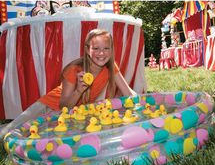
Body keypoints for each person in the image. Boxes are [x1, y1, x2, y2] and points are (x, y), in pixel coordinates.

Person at [0, 29, 136, 138]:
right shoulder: (74, 70)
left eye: (106, 48)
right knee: (11, 132)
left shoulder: (111, 67)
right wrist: (78, 90)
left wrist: (142, 102)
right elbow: (63, 106)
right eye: (96, 48)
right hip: (48, 107)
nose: (101, 53)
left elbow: (128, 93)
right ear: (87, 50)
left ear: (112, 49)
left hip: (73, 114)